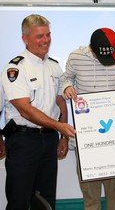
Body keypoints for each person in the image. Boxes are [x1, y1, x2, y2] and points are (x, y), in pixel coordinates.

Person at [0, 14, 76, 210]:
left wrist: (63, 137)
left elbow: (60, 102)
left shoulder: (54, 66)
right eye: (39, 36)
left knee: (45, 199)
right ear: (25, 39)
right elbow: (25, 110)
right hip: (24, 141)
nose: (46, 40)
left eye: (48, 35)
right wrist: (59, 126)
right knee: (19, 199)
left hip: (49, 140)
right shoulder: (15, 69)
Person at [61, 27, 115, 210]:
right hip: (88, 137)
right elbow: (65, 78)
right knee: (91, 198)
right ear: (92, 49)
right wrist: (67, 87)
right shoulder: (76, 56)